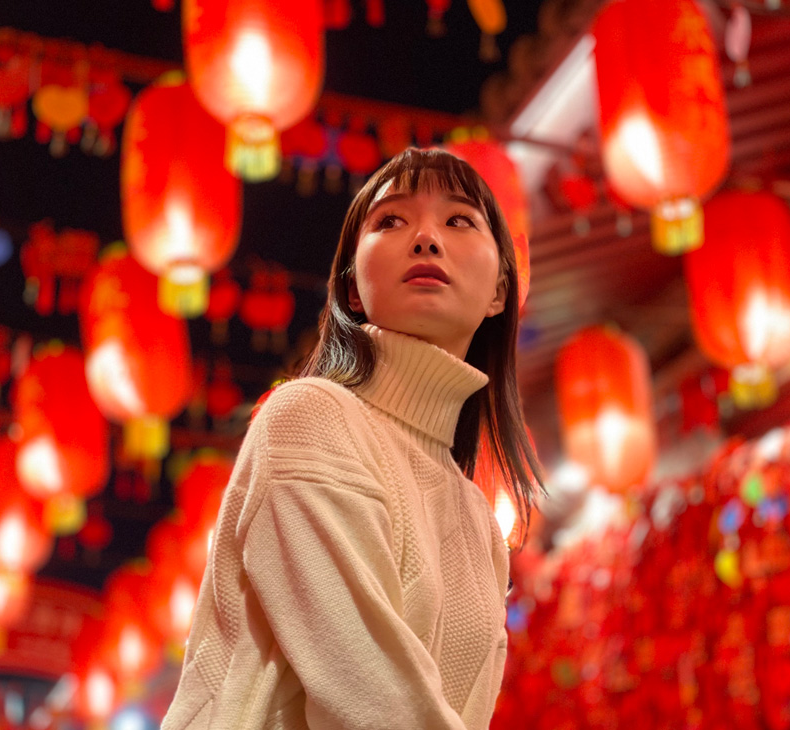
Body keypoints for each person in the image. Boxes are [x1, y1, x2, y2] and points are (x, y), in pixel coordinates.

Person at [161, 147, 545, 730]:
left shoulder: (476, 518)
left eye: (458, 219)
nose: (425, 238)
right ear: (354, 290)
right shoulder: (309, 418)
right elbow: (371, 697)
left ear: (499, 292)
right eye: (391, 221)